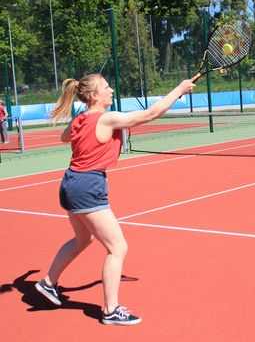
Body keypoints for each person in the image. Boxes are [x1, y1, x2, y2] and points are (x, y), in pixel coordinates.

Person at [35, 74, 196, 325]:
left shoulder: (81, 117)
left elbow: (65, 137)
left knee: (82, 239)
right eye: (106, 87)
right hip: (88, 185)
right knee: (117, 248)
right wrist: (179, 90)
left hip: (71, 182)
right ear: (94, 96)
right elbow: (149, 115)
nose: (111, 90)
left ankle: (48, 283)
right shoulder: (106, 118)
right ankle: (110, 309)